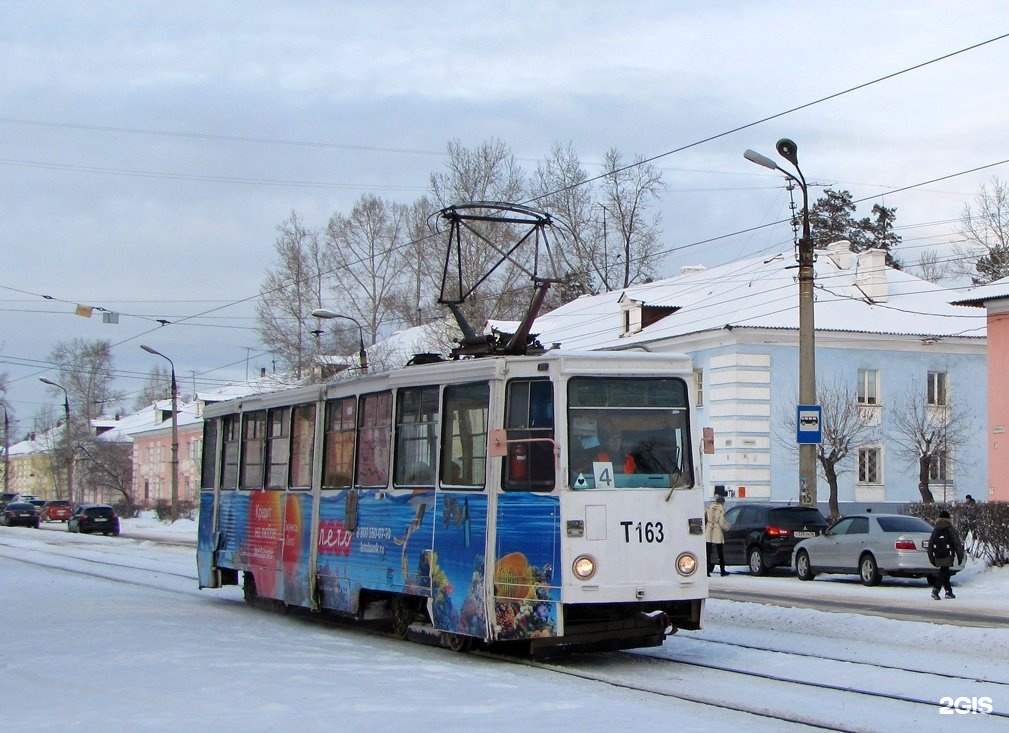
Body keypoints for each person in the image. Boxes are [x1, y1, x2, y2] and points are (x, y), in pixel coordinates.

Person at [927, 510, 965, 600]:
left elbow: (930, 544)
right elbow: (957, 543)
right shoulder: (950, 528)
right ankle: (936, 590)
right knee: (944, 571)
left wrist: (931, 558)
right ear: (948, 518)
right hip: (948, 554)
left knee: (945, 572)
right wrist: (960, 556)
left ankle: (949, 591)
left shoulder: (936, 529)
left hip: (938, 554)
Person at [704, 494, 729, 577]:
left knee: (708, 552)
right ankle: (722, 570)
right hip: (717, 530)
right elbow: (721, 522)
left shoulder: (709, 507)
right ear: (722, 502)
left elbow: (705, 517)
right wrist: (727, 527)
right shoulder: (721, 509)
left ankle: (707, 570)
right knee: (720, 551)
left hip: (709, 529)